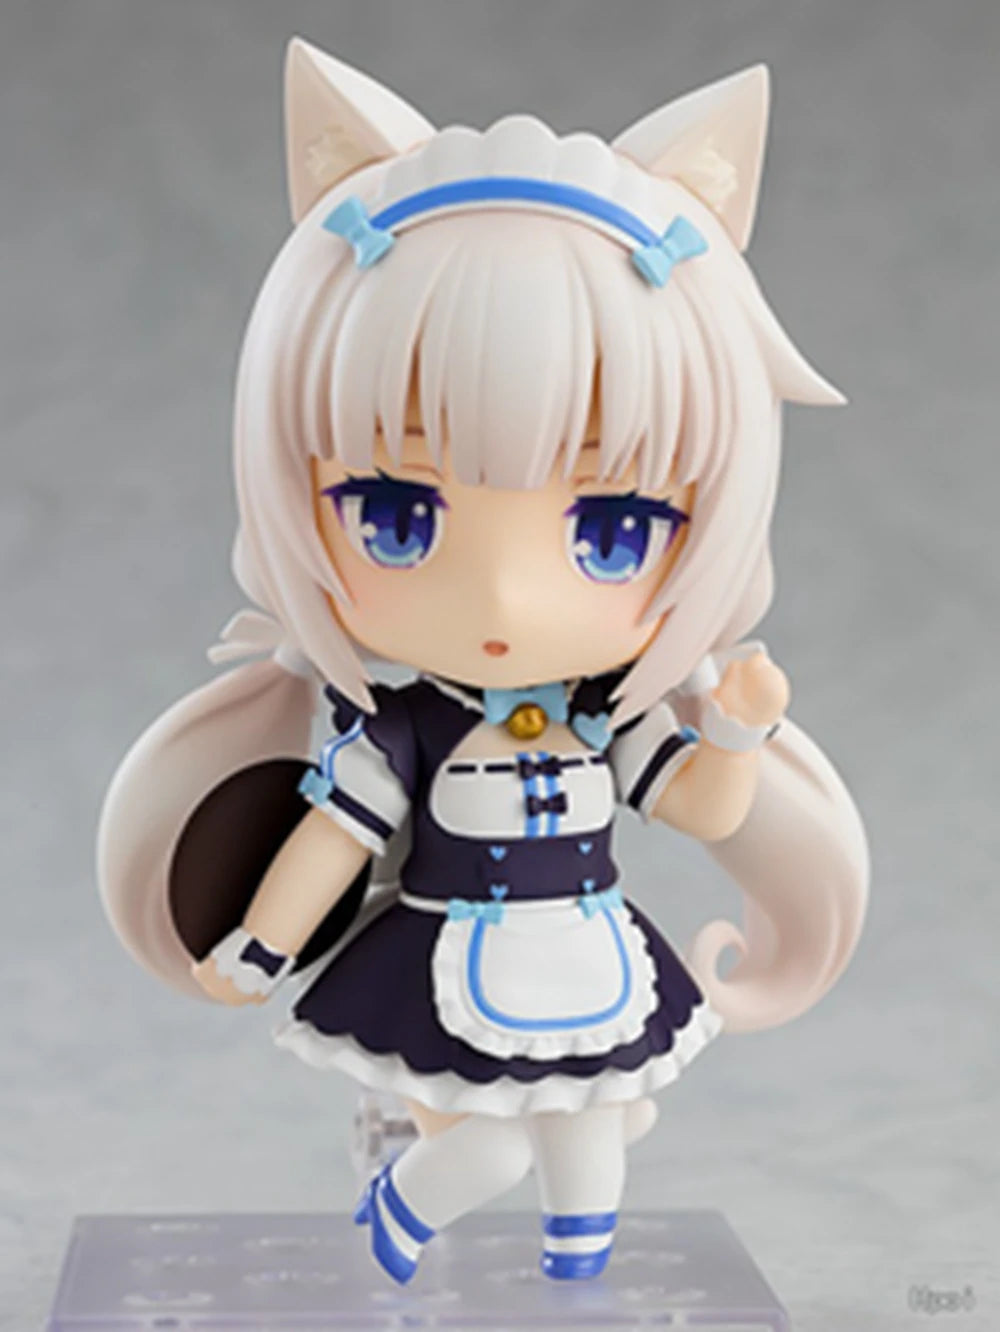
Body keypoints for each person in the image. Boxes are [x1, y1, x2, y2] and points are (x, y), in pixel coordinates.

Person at [98, 39, 869, 1285]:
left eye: (612, 531)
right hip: (442, 960)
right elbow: (333, 838)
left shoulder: (606, 712)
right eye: (396, 517)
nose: (506, 599)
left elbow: (701, 805)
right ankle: (401, 1212)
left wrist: (732, 731)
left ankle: (575, 1275)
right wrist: (259, 948)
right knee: (497, 1145)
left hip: (588, 958)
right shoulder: (404, 725)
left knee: (598, 1136)